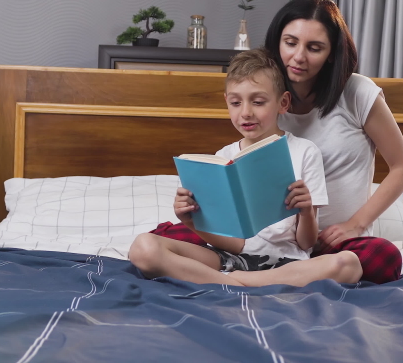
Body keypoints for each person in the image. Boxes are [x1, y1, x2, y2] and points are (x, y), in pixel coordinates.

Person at [150, 0, 403, 284]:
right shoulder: (267, 96)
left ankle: (239, 278)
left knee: (385, 259)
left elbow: (402, 167)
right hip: (261, 242)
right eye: (290, 43)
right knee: (160, 236)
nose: (299, 56)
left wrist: (355, 225)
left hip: (332, 241)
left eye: (314, 48)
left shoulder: (357, 93)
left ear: (332, 53)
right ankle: (261, 275)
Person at [129, 48, 362, 287]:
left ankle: (229, 282)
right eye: (236, 103)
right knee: (143, 248)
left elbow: (306, 244)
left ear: (283, 103)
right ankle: (241, 282)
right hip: (229, 258)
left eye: (258, 102)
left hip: (287, 262)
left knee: (349, 264)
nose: (246, 113)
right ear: (226, 103)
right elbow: (233, 243)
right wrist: (190, 221)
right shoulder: (223, 157)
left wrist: (305, 211)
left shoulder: (304, 151)